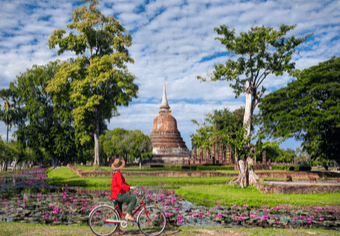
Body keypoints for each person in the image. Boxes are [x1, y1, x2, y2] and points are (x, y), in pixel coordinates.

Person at [110, 158, 137, 234]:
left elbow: (122, 184)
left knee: (118, 212)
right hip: (118, 195)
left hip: (115, 195)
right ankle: (128, 214)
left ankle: (117, 229)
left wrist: (129, 187)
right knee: (133, 199)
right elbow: (121, 185)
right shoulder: (118, 174)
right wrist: (130, 188)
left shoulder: (115, 174)